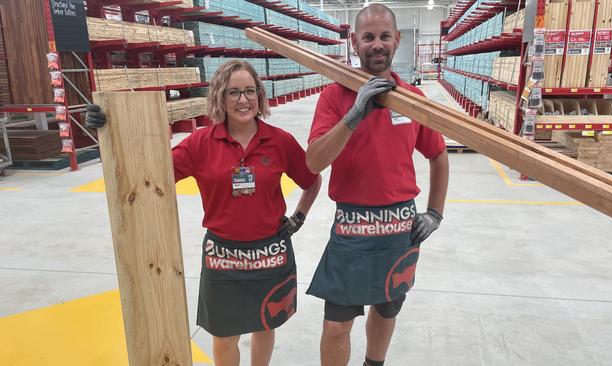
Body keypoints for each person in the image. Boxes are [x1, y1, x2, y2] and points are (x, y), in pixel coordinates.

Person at [86, 59, 322, 366]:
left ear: (260, 96)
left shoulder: (279, 141)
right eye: (233, 92)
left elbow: (311, 179)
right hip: (222, 256)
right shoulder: (200, 144)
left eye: (250, 91)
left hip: (271, 253)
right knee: (224, 335)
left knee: (265, 324)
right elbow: (146, 172)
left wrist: (298, 218)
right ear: (220, 98)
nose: (243, 100)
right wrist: (108, 132)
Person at [304, 4, 449, 366]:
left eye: (385, 36)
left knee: (386, 311)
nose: (377, 44)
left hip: (400, 228)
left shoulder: (413, 101)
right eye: (368, 37)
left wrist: (435, 212)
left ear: (397, 40)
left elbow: (438, 155)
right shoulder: (335, 97)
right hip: (352, 228)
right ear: (354, 42)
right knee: (337, 324)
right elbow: (314, 161)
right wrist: (354, 114)